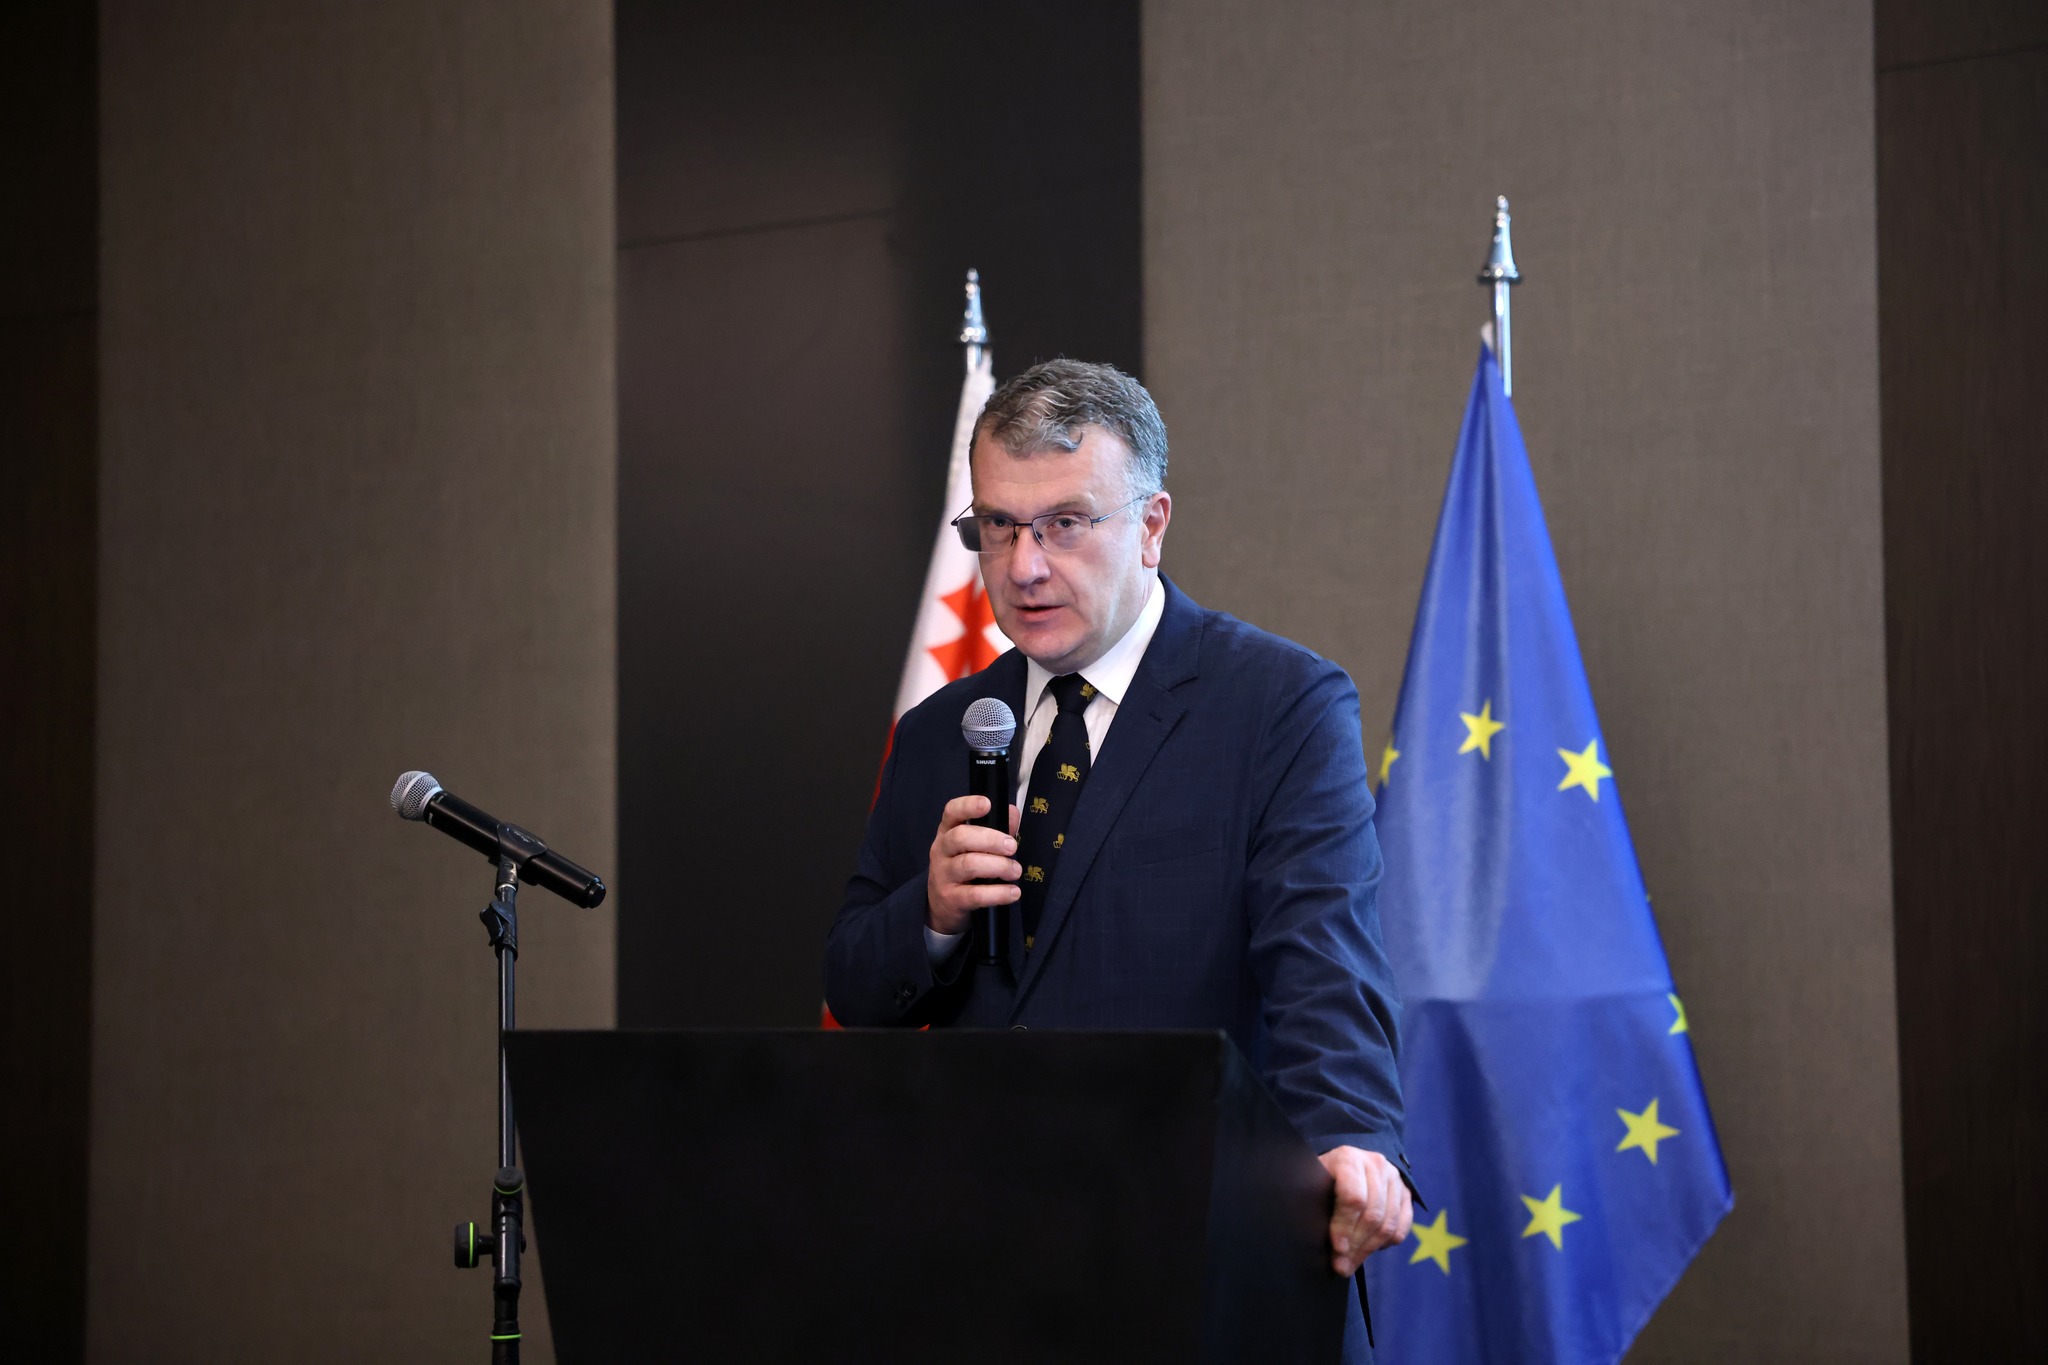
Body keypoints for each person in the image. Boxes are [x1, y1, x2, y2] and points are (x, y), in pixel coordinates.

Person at [823, 359, 1412, 1357]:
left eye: (1064, 523)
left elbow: (1324, 962)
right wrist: (929, 913)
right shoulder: (938, 734)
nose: (1023, 566)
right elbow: (852, 979)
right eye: (998, 527)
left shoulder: (1278, 707)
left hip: (1200, 1255)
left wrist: (1349, 1138)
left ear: (1151, 524)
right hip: (982, 1270)